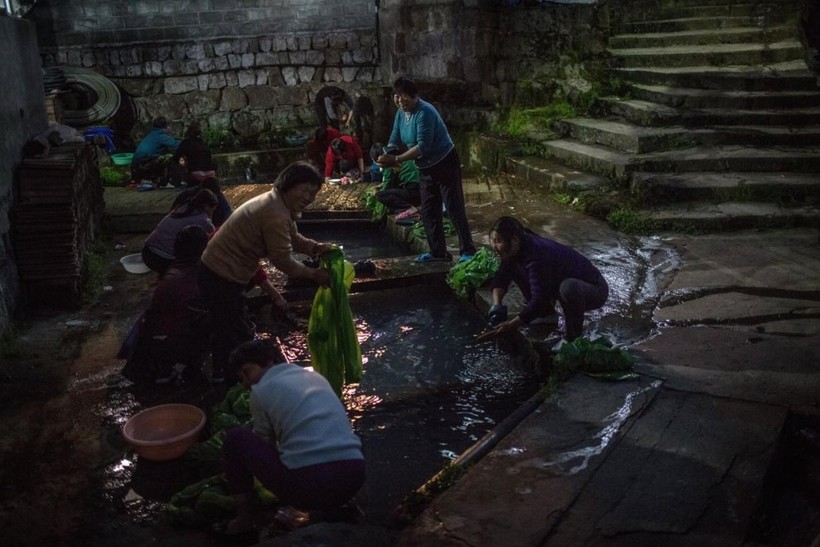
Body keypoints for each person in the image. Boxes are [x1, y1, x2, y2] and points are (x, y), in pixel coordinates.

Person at [198, 161, 332, 384]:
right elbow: (282, 260)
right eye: (305, 190)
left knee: (227, 328)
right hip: (221, 275)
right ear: (289, 185)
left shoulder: (277, 203)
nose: (309, 197)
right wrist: (314, 275)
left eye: (313, 193)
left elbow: (293, 239)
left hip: (219, 271)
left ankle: (223, 375)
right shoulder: (275, 213)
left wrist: (315, 247)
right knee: (237, 335)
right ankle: (236, 382)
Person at [219, 339, 365, 538]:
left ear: (268, 362)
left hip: (308, 486)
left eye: (247, 371)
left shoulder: (260, 392)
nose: (245, 381)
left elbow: (265, 442)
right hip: (354, 476)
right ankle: (337, 507)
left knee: (234, 439)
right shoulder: (316, 378)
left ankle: (244, 520)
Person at [377, 76, 476, 263]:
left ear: (414, 96)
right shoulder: (400, 113)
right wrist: (387, 153)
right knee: (430, 211)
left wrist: (397, 159)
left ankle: (468, 251)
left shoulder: (425, 112)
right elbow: (394, 138)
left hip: (445, 162)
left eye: (404, 95)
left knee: (454, 208)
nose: (400, 100)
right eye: (396, 96)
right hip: (425, 167)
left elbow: (423, 147)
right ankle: (438, 253)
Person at [486, 216, 609, 343]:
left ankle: (574, 338)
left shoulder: (536, 255)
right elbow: (501, 277)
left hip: (594, 289)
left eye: (498, 241)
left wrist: (513, 324)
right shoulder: (517, 247)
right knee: (514, 267)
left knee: (568, 288)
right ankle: (545, 314)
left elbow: (539, 298)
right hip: (557, 281)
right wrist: (497, 307)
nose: (494, 246)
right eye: (493, 241)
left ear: (514, 240)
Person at [121, 225, 211, 385]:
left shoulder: (174, 270)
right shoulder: (193, 276)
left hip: (151, 341)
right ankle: (179, 369)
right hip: (166, 345)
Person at [142, 189, 218, 276]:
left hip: (147, 252)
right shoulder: (202, 219)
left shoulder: (184, 206)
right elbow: (215, 235)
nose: (213, 212)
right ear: (206, 206)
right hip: (162, 259)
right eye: (213, 209)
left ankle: (164, 277)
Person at [370, 143, 421, 216]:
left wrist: (376, 193)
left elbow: (388, 183)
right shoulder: (398, 157)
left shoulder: (387, 162)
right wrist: (380, 185)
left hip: (414, 192)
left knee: (380, 195)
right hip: (420, 189)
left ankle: (409, 208)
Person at [131, 116, 181, 186]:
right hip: (144, 162)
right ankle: (171, 182)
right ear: (166, 126)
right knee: (170, 158)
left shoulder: (152, 134)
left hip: (137, 163)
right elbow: (176, 145)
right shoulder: (160, 136)